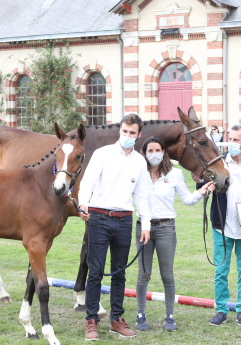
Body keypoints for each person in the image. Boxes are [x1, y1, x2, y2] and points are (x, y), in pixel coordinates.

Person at [78, 114, 152, 341]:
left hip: (125, 219)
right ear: (120, 130)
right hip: (98, 217)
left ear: (139, 135)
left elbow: (142, 196)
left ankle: (116, 320)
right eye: (125, 131)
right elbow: (87, 181)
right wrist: (83, 202)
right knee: (96, 272)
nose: (128, 136)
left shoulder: (140, 162)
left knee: (120, 273)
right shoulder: (103, 154)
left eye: (132, 133)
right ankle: (91, 321)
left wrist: (146, 224)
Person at [134, 136, 215, 332]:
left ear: (164, 152)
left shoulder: (175, 174)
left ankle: (169, 316)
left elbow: (187, 199)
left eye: (157, 150)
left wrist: (202, 190)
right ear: (144, 154)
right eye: (150, 151)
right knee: (143, 274)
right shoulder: (138, 173)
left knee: (167, 275)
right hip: (142, 228)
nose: (154, 154)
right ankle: (140, 315)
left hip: (165, 229)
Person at [195, 125, 241, 327]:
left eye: (237, 140)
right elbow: (201, 185)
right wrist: (202, 183)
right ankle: (221, 310)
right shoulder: (218, 163)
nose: (233, 144)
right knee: (221, 271)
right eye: (231, 139)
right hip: (222, 225)